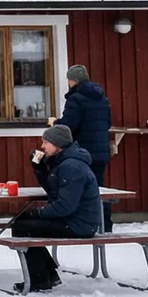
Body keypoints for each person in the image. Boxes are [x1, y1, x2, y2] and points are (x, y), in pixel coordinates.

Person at [9, 125, 103, 292]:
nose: (43, 147)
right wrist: (39, 168)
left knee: (22, 227)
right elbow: (54, 191)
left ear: (58, 144)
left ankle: (41, 279)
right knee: (23, 223)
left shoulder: (71, 166)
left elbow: (65, 206)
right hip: (74, 220)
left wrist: (38, 213)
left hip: (78, 224)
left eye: (46, 142)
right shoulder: (64, 162)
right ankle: (47, 276)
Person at [55, 64, 111, 231]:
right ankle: (105, 223)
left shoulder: (76, 99)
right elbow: (107, 123)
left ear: (73, 80)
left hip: (82, 153)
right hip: (100, 152)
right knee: (99, 189)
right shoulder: (102, 98)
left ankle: (84, 223)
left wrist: (55, 123)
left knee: (79, 189)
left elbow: (68, 126)